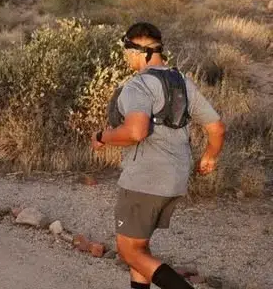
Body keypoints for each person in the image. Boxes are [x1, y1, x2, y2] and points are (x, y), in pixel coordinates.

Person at [93, 22, 225, 289]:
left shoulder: (137, 86)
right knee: (140, 249)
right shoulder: (182, 82)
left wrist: (101, 137)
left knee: (128, 251)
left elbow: (135, 132)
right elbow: (217, 127)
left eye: (126, 51)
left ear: (140, 52)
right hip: (175, 179)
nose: (125, 57)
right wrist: (210, 156)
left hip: (145, 179)